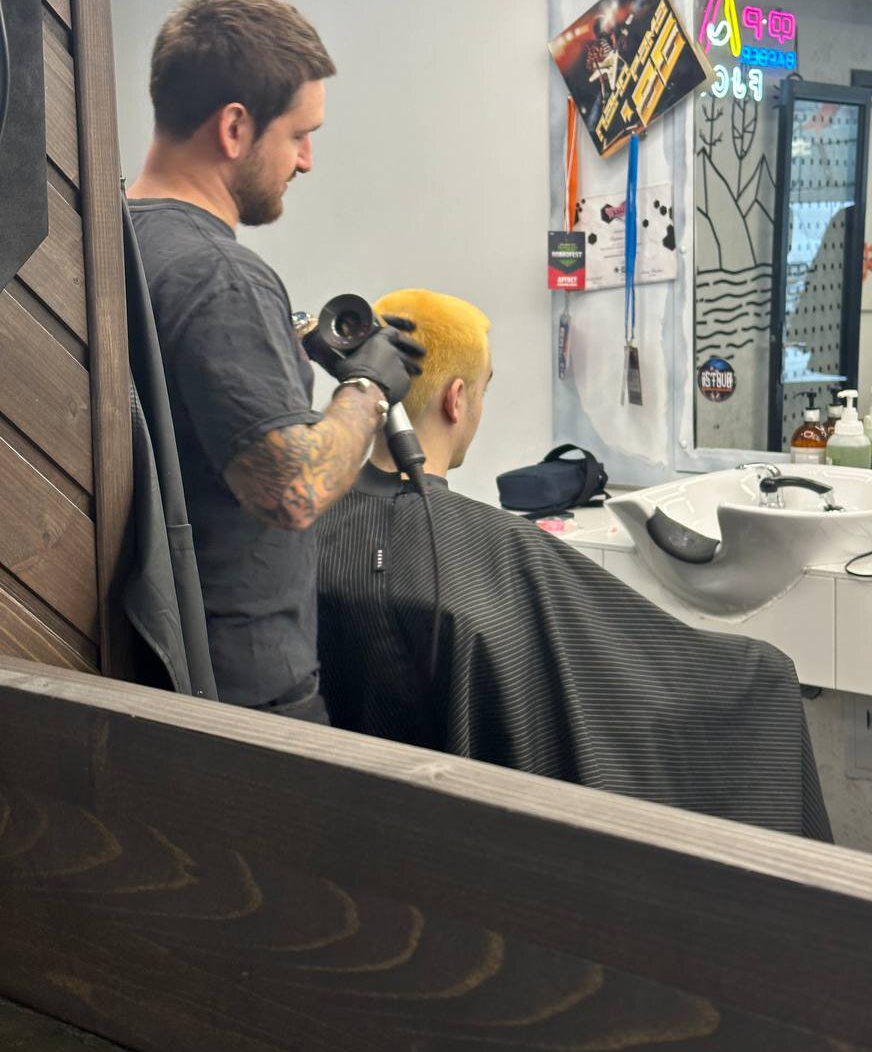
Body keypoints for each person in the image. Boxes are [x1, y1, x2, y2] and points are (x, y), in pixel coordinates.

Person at [316, 289, 832, 840]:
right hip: (473, 842)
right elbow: (634, 683)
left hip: (335, 825)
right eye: (485, 389)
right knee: (765, 674)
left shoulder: (301, 528)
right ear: (457, 400)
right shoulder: (501, 547)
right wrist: (765, 672)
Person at [127, 0, 424, 721]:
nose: (307, 161)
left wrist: (283, 353)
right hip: (244, 707)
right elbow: (293, 489)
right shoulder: (219, 274)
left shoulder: (114, 238)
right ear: (234, 127)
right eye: (299, 135)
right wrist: (367, 389)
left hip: (151, 680)